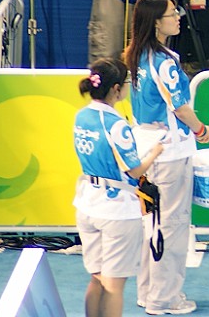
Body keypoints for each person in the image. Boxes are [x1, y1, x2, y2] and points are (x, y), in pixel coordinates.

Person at [123, 0, 209, 315]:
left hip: (144, 151)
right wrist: (202, 130)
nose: (178, 16)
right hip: (169, 154)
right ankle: (165, 299)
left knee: (151, 224)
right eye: (171, 13)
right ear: (156, 23)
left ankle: (148, 291)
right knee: (172, 226)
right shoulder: (166, 63)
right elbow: (180, 107)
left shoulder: (134, 55)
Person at [72, 58, 165, 317]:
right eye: (126, 82)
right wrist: (155, 152)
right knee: (113, 286)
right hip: (115, 211)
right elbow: (134, 170)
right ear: (115, 89)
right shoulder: (116, 125)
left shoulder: (81, 116)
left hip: (87, 204)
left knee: (98, 279)